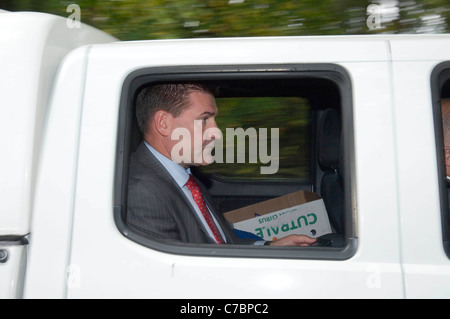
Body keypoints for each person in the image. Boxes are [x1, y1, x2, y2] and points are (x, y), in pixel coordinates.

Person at [127, 83, 316, 246]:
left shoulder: (186, 176)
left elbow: (222, 242)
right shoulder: (141, 192)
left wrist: (268, 246)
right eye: (204, 119)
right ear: (163, 123)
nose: (216, 133)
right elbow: (175, 277)